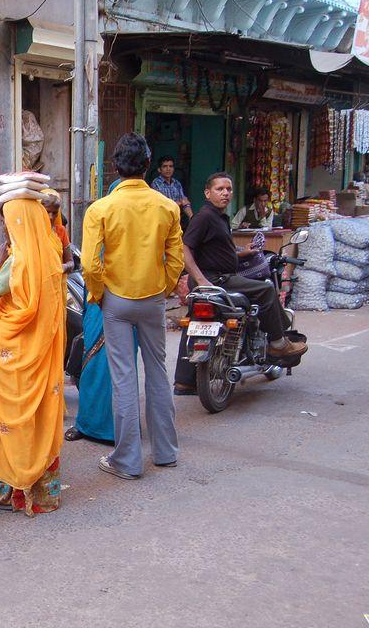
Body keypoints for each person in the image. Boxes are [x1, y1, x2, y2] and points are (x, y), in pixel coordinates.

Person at [82, 133, 183, 480]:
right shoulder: (167, 206)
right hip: (153, 298)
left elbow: (90, 266)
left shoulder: (100, 209)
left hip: (117, 300)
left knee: (124, 378)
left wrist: (99, 295)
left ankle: (126, 460)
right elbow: (175, 259)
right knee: (157, 372)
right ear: (147, 166)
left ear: (115, 167)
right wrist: (164, 288)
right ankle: (166, 452)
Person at [0, 196, 65, 513]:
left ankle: (2, 489)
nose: (5, 227)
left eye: (7, 221)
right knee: (36, 417)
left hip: (9, 350)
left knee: (4, 419)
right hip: (39, 351)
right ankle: (41, 489)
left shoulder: (16, 261)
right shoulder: (51, 254)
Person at [173, 173, 307, 394]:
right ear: (207, 193)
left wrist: (243, 253)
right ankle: (277, 342)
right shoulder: (204, 217)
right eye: (219, 189)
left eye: (228, 189)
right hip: (218, 280)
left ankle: (184, 381)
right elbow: (184, 248)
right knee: (265, 289)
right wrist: (201, 280)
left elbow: (217, 251)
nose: (225, 193)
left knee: (195, 322)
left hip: (215, 280)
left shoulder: (219, 217)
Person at [151, 156, 193, 231]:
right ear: (159, 170)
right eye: (165, 166)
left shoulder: (177, 183)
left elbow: (184, 202)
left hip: (176, 219)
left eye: (171, 166)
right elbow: (163, 205)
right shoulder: (156, 183)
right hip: (163, 220)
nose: (168, 169)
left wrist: (191, 217)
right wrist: (180, 202)